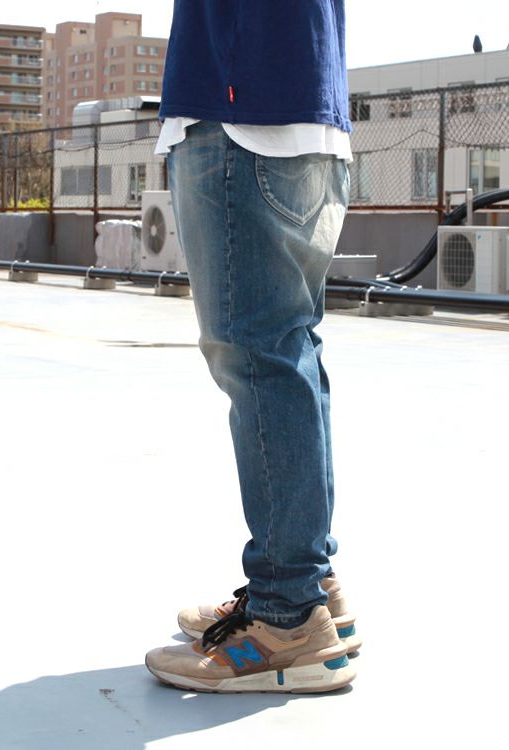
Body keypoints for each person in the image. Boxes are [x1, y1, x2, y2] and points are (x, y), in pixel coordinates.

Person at [144, 0, 359, 694]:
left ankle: (286, 619)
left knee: (260, 360)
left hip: (241, 114)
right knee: (289, 354)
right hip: (303, 112)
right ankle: (309, 585)